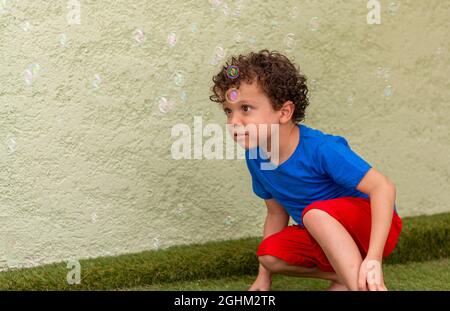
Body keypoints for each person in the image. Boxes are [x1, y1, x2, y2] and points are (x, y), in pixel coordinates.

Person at [209, 49, 402, 291]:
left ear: (284, 112)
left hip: (372, 226)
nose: (233, 122)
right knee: (269, 256)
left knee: (314, 214)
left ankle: (363, 286)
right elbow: (276, 214)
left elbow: (383, 187)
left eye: (245, 108)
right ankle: (346, 274)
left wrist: (374, 258)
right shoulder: (256, 157)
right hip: (323, 237)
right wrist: (263, 278)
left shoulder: (321, 148)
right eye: (229, 111)